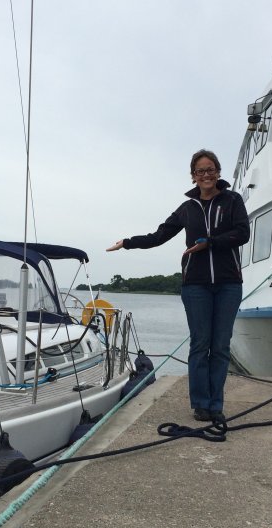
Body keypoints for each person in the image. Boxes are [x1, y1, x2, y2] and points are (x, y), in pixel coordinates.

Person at [107, 149, 250, 423]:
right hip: (195, 286)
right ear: (193, 176)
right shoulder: (187, 208)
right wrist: (127, 242)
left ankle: (216, 405)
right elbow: (159, 236)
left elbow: (242, 233)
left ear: (218, 172)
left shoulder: (232, 200)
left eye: (210, 170)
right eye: (200, 171)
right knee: (200, 344)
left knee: (221, 346)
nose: (206, 175)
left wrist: (210, 242)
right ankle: (201, 405)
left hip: (229, 284)